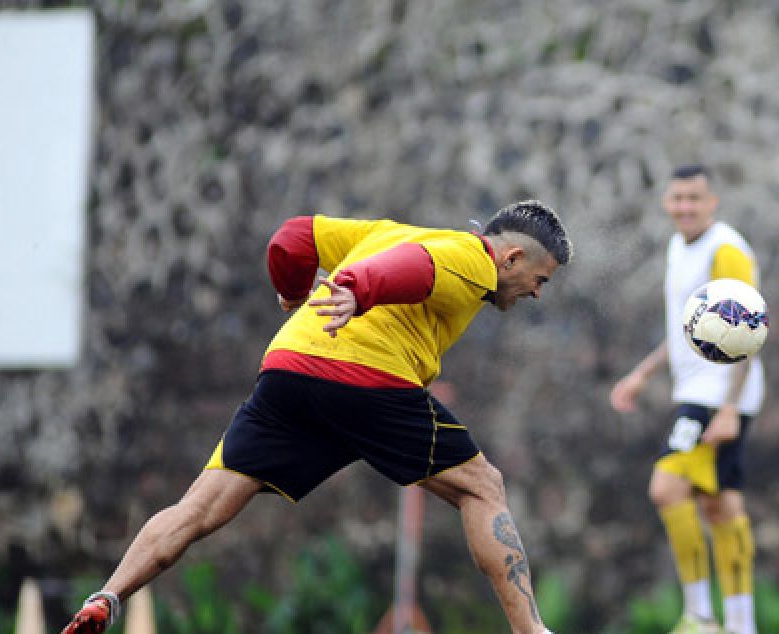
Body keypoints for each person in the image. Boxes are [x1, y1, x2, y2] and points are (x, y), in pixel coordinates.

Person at [61, 200, 572, 634]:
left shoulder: (384, 232)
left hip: (288, 371)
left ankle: (108, 595)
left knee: (201, 505)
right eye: (539, 279)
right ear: (511, 257)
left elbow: (292, 237)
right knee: (482, 487)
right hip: (366, 377)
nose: (537, 293)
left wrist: (292, 289)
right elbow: (418, 268)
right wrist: (358, 287)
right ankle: (532, 631)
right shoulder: (475, 257)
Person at [610, 165, 764, 634]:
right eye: (677, 198)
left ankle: (699, 616)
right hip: (697, 393)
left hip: (715, 397)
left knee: (666, 488)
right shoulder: (680, 248)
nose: (684, 206)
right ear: (666, 202)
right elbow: (689, 332)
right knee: (720, 506)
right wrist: (642, 373)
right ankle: (739, 624)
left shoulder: (727, 250)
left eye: (694, 198)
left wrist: (730, 408)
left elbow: (748, 333)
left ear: (712, 202)